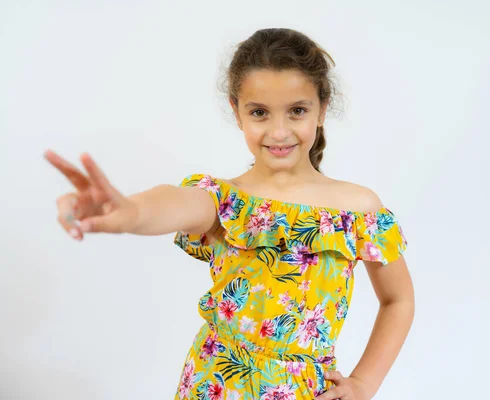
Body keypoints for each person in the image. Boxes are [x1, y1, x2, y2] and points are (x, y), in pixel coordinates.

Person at [46, 28, 414, 400]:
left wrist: (365, 382)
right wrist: (128, 211)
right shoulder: (224, 201)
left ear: (322, 107)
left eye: (297, 111)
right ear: (237, 111)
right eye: (259, 113)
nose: (279, 131)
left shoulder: (358, 210)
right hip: (216, 385)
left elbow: (398, 299)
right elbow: (173, 202)